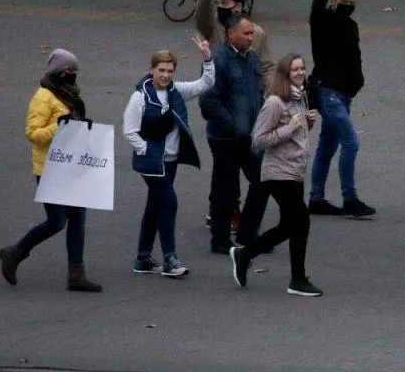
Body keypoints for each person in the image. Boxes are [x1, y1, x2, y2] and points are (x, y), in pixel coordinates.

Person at [0, 49, 102, 292]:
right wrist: (60, 127)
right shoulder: (43, 96)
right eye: (69, 71)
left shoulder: (69, 95)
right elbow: (33, 134)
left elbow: (72, 124)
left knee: (78, 220)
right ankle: (15, 252)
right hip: (50, 169)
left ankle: (76, 274)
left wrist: (82, 128)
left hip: (73, 165)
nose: (73, 75)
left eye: (76, 71)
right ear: (58, 71)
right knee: (57, 221)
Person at [123, 36, 216, 278]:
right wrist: (146, 150)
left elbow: (205, 84)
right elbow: (130, 131)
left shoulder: (176, 91)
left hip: (171, 161)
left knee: (154, 206)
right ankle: (169, 259)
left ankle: (142, 258)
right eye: (161, 70)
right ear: (151, 69)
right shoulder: (140, 97)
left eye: (169, 71)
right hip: (153, 163)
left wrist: (207, 58)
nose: (165, 75)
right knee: (169, 203)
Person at [230, 53, 322, 297]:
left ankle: (245, 254)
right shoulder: (275, 102)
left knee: (291, 224)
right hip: (278, 172)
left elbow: (297, 135)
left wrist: (307, 124)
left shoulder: (300, 97)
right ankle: (297, 279)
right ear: (285, 73)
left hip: (295, 170)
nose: (300, 73)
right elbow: (258, 140)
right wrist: (288, 128)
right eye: (295, 70)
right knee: (300, 223)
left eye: (302, 68)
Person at [308, 0, 374, 218]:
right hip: (329, 92)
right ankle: (349, 197)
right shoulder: (323, 21)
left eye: (351, 1)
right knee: (351, 142)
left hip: (344, 94)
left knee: (327, 146)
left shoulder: (351, 25)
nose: (347, 4)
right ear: (334, 0)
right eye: (343, 0)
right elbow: (315, 9)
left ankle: (316, 198)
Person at [200, 15, 269, 254]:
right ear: (230, 34)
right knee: (225, 189)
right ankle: (219, 239)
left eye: (252, 33)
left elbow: (256, 94)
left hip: (249, 136)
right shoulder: (219, 60)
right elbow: (208, 101)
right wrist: (232, 125)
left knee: (263, 181)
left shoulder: (251, 59)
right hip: (226, 138)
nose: (251, 38)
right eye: (246, 33)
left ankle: (248, 232)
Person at [194, 0, 275, 79]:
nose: (220, 7)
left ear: (238, 7)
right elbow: (201, 17)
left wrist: (266, 94)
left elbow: (267, 68)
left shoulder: (257, 33)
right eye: (218, 3)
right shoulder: (212, 27)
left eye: (225, 3)